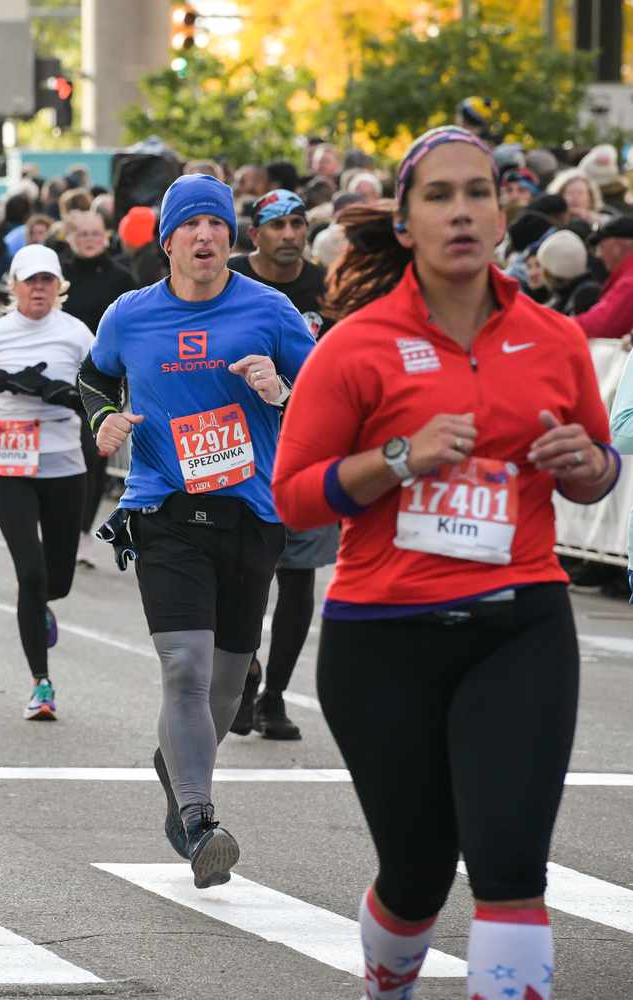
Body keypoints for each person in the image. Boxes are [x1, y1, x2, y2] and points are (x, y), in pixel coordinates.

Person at [273, 126, 618, 1000]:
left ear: (502, 215)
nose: (461, 210)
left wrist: (593, 467)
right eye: (439, 196)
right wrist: (399, 458)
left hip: (519, 622)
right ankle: (389, 985)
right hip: (383, 635)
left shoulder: (556, 339)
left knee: (510, 865)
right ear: (407, 222)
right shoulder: (354, 346)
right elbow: (295, 497)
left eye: (479, 193)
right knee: (419, 871)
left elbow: (596, 469)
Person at [77, 173, 315, 890]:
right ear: (168, 242)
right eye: (192, 227)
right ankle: (198, 817)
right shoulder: (130, 315)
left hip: (251, 514)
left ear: (230, 238)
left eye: (217, 225)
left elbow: (328, 402)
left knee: (223, 686)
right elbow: (91, 379)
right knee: (183, 667)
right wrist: (102, 420)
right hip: (164, 510)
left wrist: (281, 392)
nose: (206, 237)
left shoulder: (271, 311)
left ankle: (179, 766)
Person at [0, 244, 93, 720]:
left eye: (47, 281)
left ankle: (40, 603)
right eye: (30, 281)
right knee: (30, 572)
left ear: (59, 286)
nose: (39, 289)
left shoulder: (76, 334)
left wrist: (93, 406)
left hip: (64, 464)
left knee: (58, 580)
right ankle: (41, 684)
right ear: (13, 286)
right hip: (8, 463)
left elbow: (103, 383)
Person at [225, 189, 334, 740]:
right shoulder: (228, 278)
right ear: (255, 234)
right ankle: (243, 672)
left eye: (298, 223)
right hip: (238, 450)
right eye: (277, 225)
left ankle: (274, 697)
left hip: (307, 448)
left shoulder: (327, 287)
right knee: (241, 571)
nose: (290, 234)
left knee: (298, 575)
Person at [58, 211, 136, 569]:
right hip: (59, 375)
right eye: (83, 234)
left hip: (102, 376)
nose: (90, 239)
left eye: (95, 233)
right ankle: (58, 524)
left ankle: (81, 531)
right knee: (62, 453)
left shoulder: (121, 277)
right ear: (71, 237)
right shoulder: (59, 275)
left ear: (106, 236)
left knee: (93, 453)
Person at [575, 215, 633, 340]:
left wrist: (557, 325)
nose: (599, 255)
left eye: (601, 247)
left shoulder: (629, 282)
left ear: (616, 247)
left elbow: (599, 326)